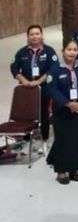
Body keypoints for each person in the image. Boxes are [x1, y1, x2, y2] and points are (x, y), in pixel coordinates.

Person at [46, 41, 78, 184]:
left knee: (77, 139)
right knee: (63, 140)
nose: (72, 52)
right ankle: (61, 170)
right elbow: (51, 90)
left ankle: (74, 169)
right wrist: (67, 103)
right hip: (62, 111)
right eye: (69, 49)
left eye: (75, 49)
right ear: (63, 51)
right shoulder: (54, 69)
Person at [10, 24, 59, 154]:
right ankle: (26, 140)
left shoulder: (49, 51)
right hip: (27, 89)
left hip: (43, 87)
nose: (35, 36)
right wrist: (23, 80)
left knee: (43, 114)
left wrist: (39, 81)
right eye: (32, 34)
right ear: (28, 36)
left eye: (37, 33)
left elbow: (54, 68)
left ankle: (44, 140)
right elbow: (14, 67)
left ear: (42, 35)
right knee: (27, 114)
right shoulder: (22, 52)